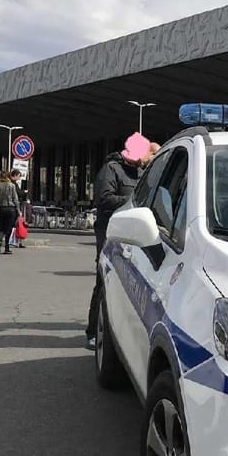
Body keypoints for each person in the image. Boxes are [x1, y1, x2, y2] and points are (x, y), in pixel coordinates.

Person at [85, 136, 160, 350]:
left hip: (133, 232)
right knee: (105, 278)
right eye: (149, 155)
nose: (148, 161)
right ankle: (93, 331)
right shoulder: (111, 169)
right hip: (111, 232)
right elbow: (104, 199)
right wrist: (134, 201)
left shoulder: (140, 172)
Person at [0, 170, 20, 255]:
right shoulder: (11, 185)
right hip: (10, 209)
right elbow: (15, 199)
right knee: (9, 228)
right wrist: (18, 210)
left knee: (1, 226)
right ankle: (7, 247)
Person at [8, 169, 28, 248]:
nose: (19, 178)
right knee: (15, 224)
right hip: (14, 206)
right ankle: (14, 241)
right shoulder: (13, 184)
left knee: (12, 224)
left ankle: (14, 241)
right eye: (19, 176)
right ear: (15, 175)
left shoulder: (10, 183)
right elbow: (18, 194)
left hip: (10, 206)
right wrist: (24, 192)